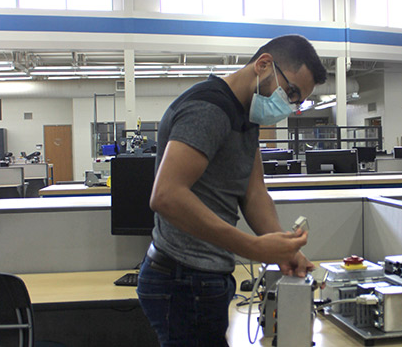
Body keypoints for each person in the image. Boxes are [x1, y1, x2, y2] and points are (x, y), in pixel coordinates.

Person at [137, 34, 328, 346]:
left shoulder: (245, 115)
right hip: (183, 280)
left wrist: (284, 249)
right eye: (290, 91)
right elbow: (166, 195)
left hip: (205, 279)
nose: (290, 104)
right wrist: (253, 248)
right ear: (264, 64)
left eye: (297, 101)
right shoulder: (210, 110)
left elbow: (253, 193)